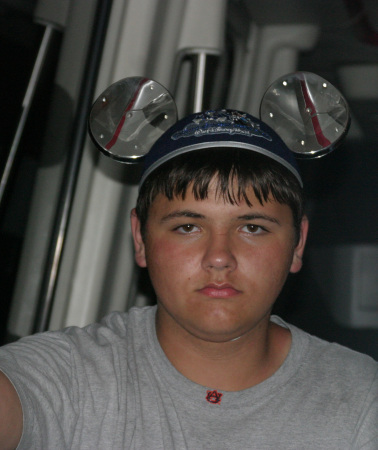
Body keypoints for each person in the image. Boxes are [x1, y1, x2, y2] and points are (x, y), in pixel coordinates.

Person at [0, 109, 376, 449]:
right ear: (140, 238)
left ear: (297, 244)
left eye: (253, 228)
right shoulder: (67, 376)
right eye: (187, 226)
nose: (219, 257)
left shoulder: (362, 400)